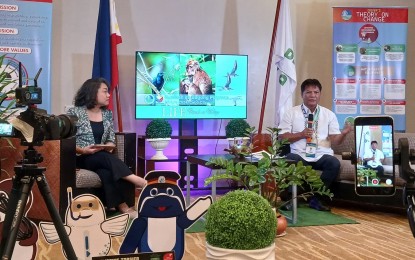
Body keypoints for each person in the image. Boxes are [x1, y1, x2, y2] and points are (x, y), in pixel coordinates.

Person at [67, 78, 146, 219]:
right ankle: (138, 181)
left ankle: (123, 207)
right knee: (102, 157)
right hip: (80, 157)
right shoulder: (75, 113)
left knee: (106, 172)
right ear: (92, 92)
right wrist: (83, 150)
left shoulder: (107, 114)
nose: (109, 95)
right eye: (105, 92)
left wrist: (110, 145)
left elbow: (110, 138)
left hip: (101, 158)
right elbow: (67, 141)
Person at [278, 78, 352, 211]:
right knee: (291, 159)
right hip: (299, 154)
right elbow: (282, 137)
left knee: (334, 163)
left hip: (321, 155)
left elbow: (335, 141)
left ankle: (316, 199)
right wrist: (301, 134)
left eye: (316, 92)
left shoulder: (329, 114)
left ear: (320, 94)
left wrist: (344, 133)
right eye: (308, 92)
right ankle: (290, 199)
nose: (312, 95)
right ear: (302, 94)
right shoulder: (291, 113)